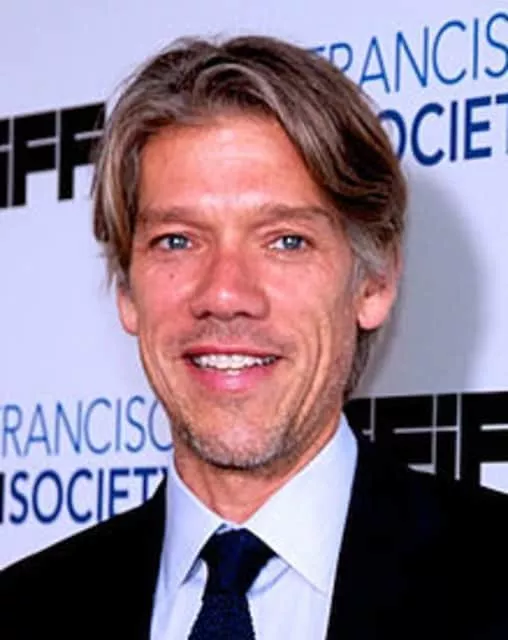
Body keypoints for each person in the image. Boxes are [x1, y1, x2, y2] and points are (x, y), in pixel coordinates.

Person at [1, 35, 508, 640]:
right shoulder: (25, 609)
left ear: (373, 283)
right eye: (177, 240)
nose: (224, 293)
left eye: (286, 241)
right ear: (127, 290)